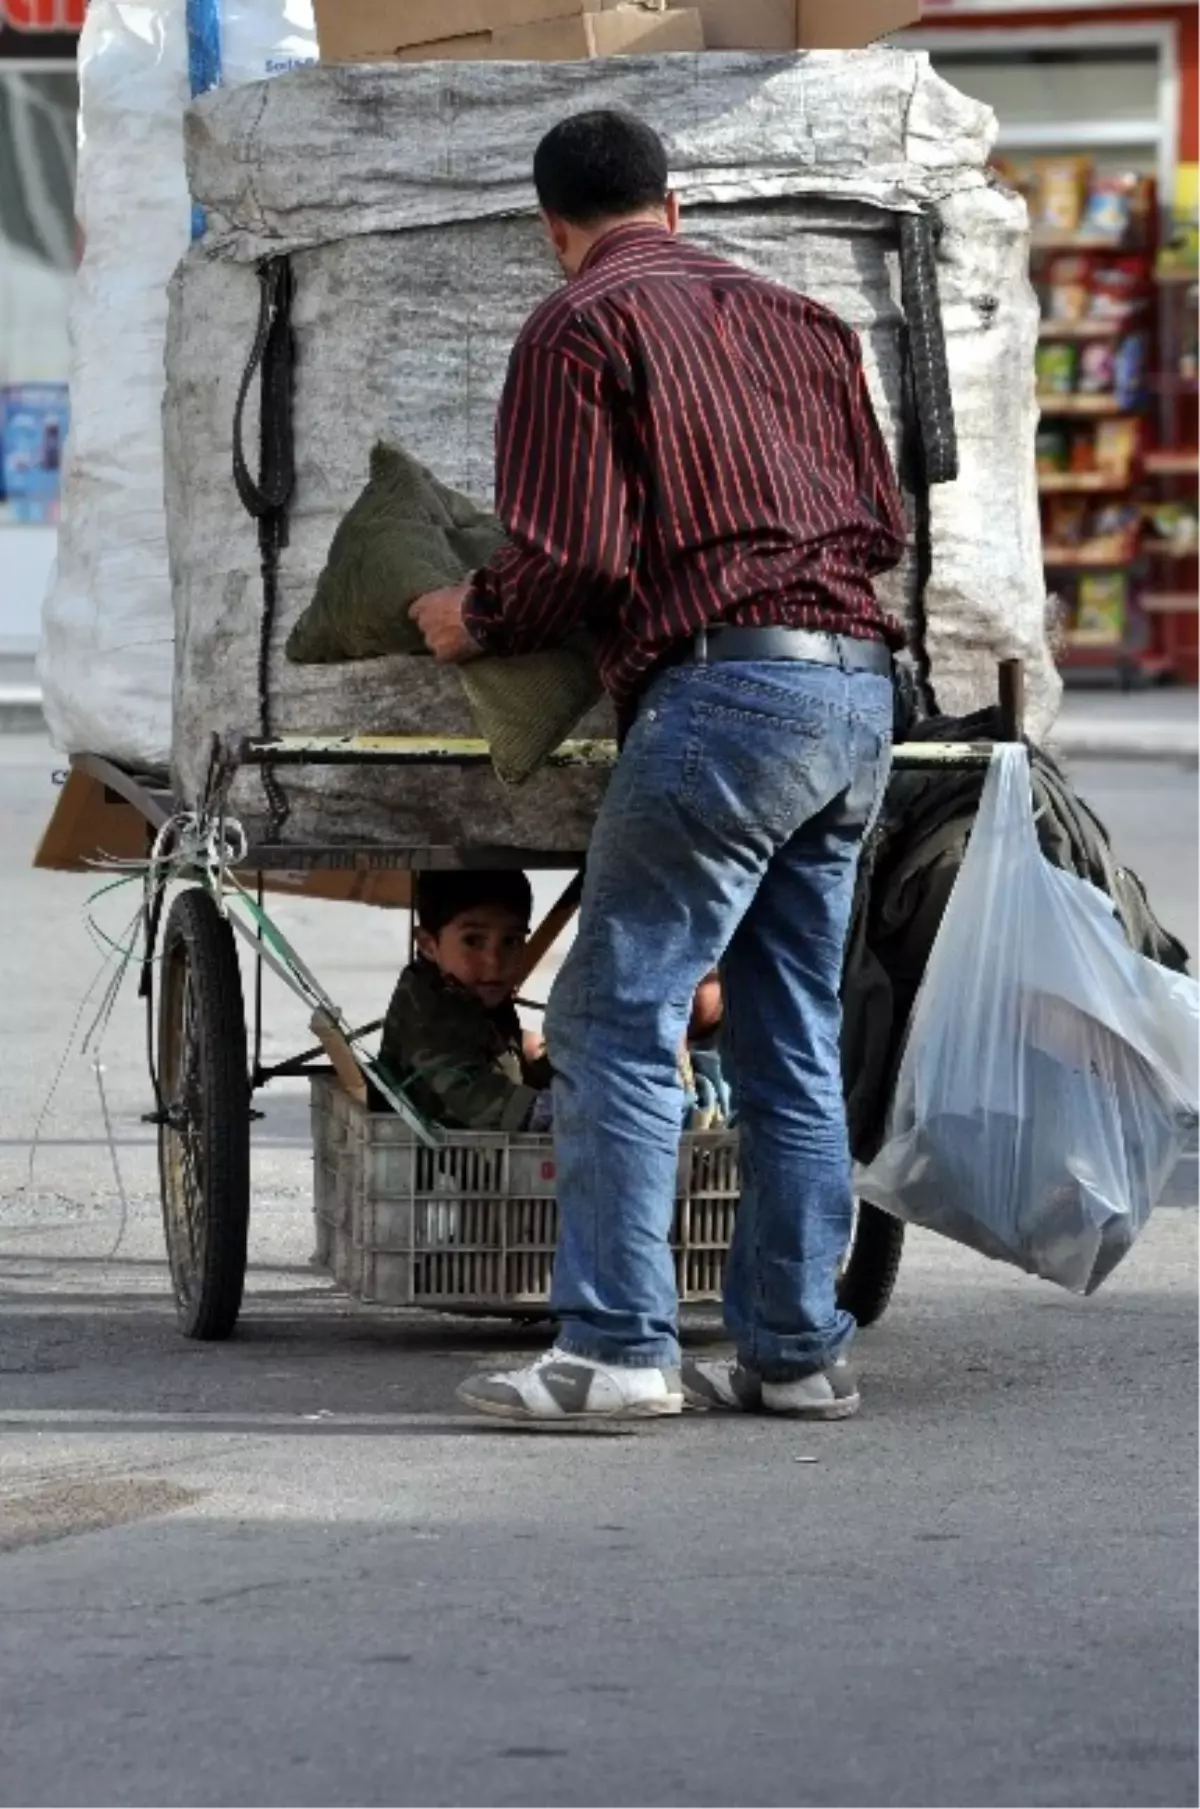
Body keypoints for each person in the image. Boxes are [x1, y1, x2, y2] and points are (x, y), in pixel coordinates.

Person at [412, 109, 906, 1424]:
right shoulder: (809, 324)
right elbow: (888, 523)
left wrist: (479, 615)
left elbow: (575, 555)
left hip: (724, 691)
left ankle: (618, 1350)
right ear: (673, 206)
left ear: (553, 229)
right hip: (857, 687)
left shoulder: (579, 323)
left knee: (612, 1018)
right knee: (789, 1030)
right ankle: (797, 1352)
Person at [380, 870, 553, 1133]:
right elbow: (470, 1093)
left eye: (511, 941)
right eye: (473, 941)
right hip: (437, 1164)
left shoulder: (470, 992)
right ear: (428, 945)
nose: (494, 961)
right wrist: (549, 1112)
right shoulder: (431, 1012)